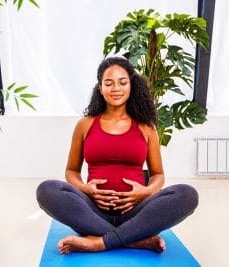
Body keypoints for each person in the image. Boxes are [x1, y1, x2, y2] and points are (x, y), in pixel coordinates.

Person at [36, 57, 199, 254]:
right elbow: (71, 171)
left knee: (187, 195)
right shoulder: (85, 125)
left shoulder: (146, 127)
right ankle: (133, 239)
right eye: (109, 83)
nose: (116, 88)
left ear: (131, 86)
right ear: (100, 88)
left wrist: (144, 192)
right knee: (47, 190)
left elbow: (158, 175)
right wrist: (85, 189)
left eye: (122, 82)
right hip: (92, 212)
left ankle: (99, 242)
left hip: (137, 212)